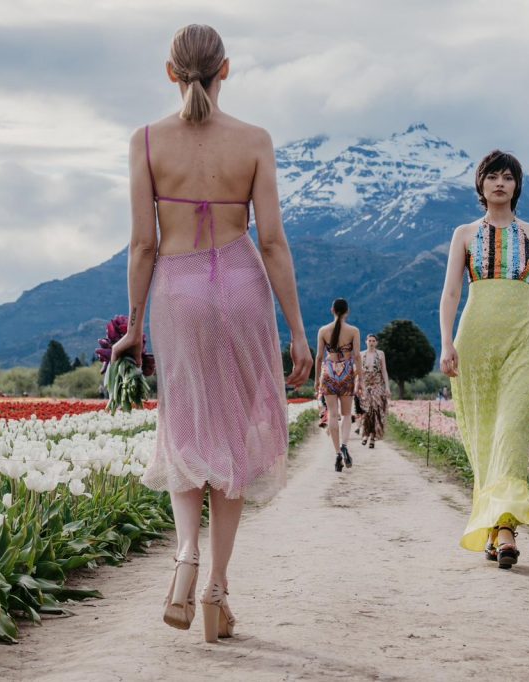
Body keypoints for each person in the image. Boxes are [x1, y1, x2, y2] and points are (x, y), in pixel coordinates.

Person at [110, 24, 312, 643]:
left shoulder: (146, 142)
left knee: (186, 426)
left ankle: (186, 556)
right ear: (226, 69)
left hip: (179, 291)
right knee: (234, 439)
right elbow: (273, 242)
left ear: (170, 73)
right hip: (242, 287)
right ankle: (217, 591)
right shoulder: (255, 141)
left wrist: (135, 327)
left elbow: (143, 244)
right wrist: (299, 333)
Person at [438, 150, 529, 570]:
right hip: (476, 342)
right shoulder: (464, 234)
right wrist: (447, 344)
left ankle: (506, 530)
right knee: (485, 436)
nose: (500, 183)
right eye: (492, 177)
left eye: (508, 177)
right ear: (481, 185)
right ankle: (492, 526)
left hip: (523, 341)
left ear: (517, 186)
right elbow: (450, 294)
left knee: (511, 430)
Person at [314, 298, 362, 472]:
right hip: (347, 373)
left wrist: (316, 380)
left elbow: (319, 357)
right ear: (347, 311)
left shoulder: (323, 331)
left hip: (329, 373)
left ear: (332, 310)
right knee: (347, 414)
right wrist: (361, 378)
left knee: (332, 415)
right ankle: (344, 445)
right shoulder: (353, 331)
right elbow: (357, 356)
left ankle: (336, 454)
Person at [359, 334, 391, 448]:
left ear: (376, 343)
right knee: (367, 411)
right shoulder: (361, 354)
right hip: (365, 385)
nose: (371, 342)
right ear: (366, 342)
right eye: (369, 340)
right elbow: (359, 373)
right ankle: (365, 434)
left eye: (373, 341)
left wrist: (387, 387)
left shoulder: (381, 354)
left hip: (378, 385)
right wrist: (357, 386)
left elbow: (384, 371)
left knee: (376, 410)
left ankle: (372, 437)